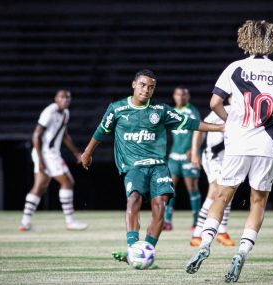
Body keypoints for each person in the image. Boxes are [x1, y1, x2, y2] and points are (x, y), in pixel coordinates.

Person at [186, 20, 273, 283]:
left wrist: (230, 120)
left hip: (238, 142)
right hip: (267, 145)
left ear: (246, 40)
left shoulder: (235, 68)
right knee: (257, 202)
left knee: (221, 196)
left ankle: (205, 242)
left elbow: (215, 102)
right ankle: (242, 251)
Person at [80, 69, 223, 263]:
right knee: (134, 199)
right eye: (143, 85)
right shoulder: (117, 109)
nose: (146, 90)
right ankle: (133, 249)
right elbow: (101, 131)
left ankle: (146, 250)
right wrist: (87, 153)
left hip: (158, 165)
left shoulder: (161, 110)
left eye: (151, 87)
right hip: (133, 166)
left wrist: (222, 127)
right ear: (133, 84)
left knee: (160, 206)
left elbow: (191, 123)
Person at [19, 90, 88, 231]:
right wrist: (41, 159)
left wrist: (76, 153)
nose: (65, 100)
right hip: (46, 154)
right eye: (62, 97)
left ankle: (25, 223)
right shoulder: (49, 112)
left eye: (68, 97)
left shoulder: (65, 113)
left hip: (48, 154)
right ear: (56, 99)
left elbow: (64, 135)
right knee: (68, 182)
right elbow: (36, 135)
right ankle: (70, 221)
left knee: (40, 186)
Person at [189, 97, 235, 247]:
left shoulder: (243, 112)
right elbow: (199, 128)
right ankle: (201, 234)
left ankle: (215, 233)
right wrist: (195, 151)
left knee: (227, 193)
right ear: (230, 98)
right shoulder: (224, 110)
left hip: (229, 159)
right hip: (214, 157)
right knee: (216, 192)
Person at [164, 86, 202, 231]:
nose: (181, 97)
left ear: (188, 97)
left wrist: (194, 150)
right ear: (174, 96)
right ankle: (167, 221)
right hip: (174, 156)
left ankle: (196, 222)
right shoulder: (171, 112)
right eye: (178, 94)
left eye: (184, 95)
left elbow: (200, 131)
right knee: (169, 188)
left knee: (192, 188)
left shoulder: (192, 112)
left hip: (188, 156)